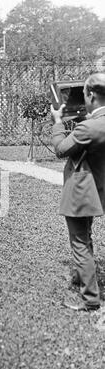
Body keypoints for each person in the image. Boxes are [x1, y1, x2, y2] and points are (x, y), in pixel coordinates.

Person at [51, 73, 105, 312]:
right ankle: (81, 277)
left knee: (80, 242)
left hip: (81, 191)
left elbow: (61, 149)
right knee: (87, 235)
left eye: (83, 94)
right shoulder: (95, 123)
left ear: (91, 95)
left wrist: (58, 122)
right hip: (97, 188)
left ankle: (90, 298)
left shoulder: (89, 127)